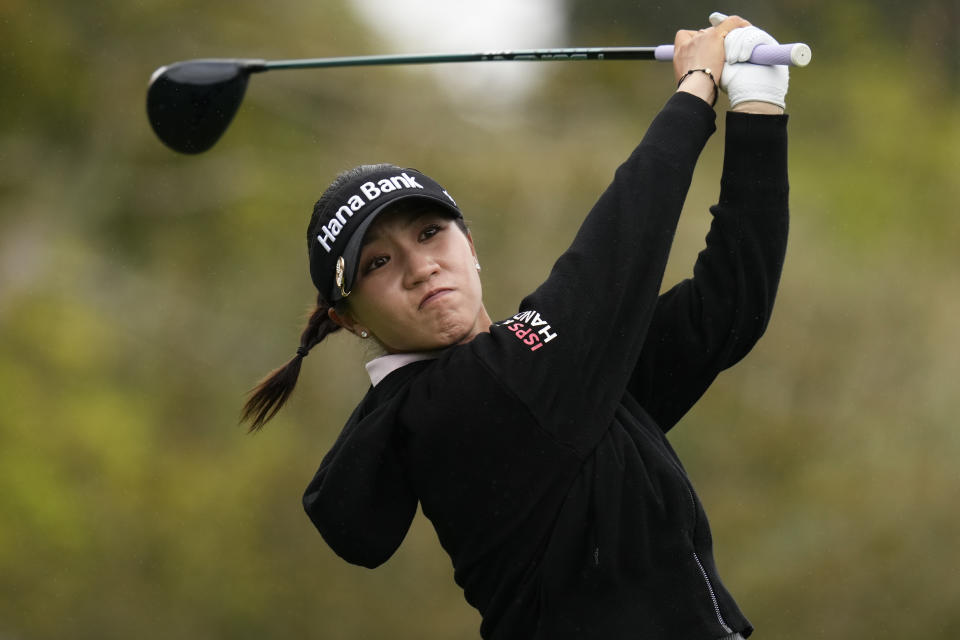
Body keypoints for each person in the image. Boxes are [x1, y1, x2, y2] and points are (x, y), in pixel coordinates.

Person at [242, 14, 791, 640]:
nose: (420, 268)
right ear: (348, 318)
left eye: (429, 234)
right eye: (378, 262)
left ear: (469, 244)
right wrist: (696, 85)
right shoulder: (451, 405)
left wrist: (758, 104)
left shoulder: (561, 384)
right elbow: (614, 256)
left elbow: (730, 305)